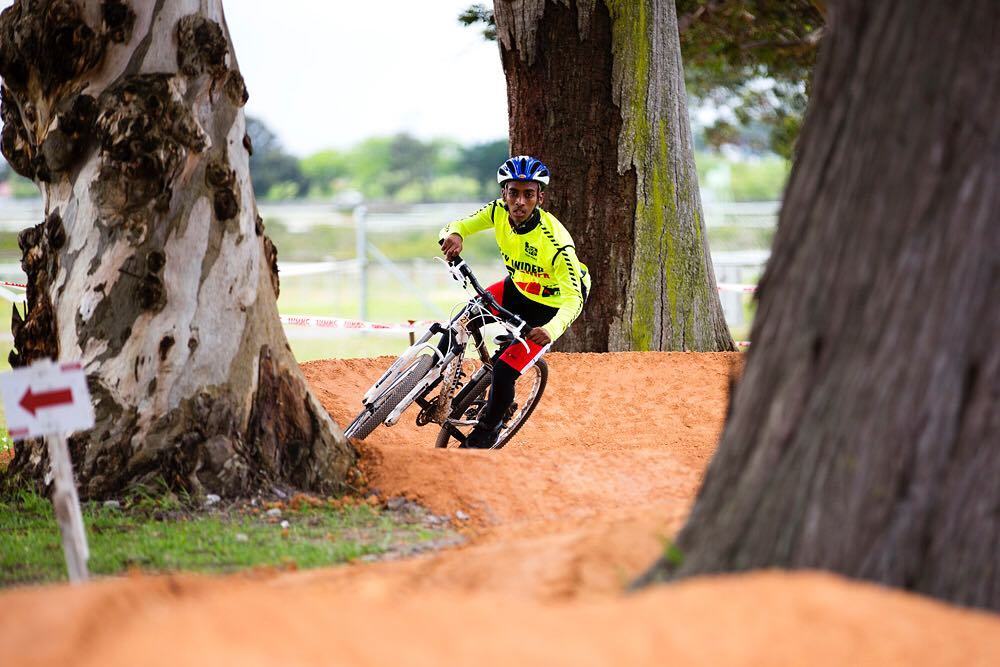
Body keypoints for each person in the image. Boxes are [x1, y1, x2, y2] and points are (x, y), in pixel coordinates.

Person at [439, 155, 590, 449]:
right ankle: (434, 377)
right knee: (461, 321)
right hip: (517, 289)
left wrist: (553, 328)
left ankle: (487, 432)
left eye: (528, 194)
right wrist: (452, 235)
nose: (520, 201)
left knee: (505, 371)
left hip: (549, 307)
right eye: (514, 193)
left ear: (540, 198)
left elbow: (575, 298)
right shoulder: (497, 212)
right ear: (504, 194)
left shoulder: (557, 243)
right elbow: (458, 225)